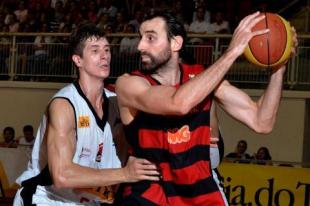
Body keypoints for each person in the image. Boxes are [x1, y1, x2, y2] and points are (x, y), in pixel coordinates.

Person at [115, 11, 297, 205]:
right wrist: (232, 51)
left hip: (200, 194)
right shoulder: (129, 83)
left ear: (176, 43)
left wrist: (280, 66)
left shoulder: (203, 78)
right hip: (150, 195)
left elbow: (262, 122)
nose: (140, 46)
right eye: (140, 38)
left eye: (150, 38)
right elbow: (178, 104)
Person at [13, 23, 160, 206]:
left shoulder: (117, 102)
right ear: (78, 60)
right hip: (47, 198)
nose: (104, 55)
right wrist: (125, 174)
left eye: (107, 49)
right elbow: (62, 175)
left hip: (89, 200)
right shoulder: (64, 105)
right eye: (95, 50)